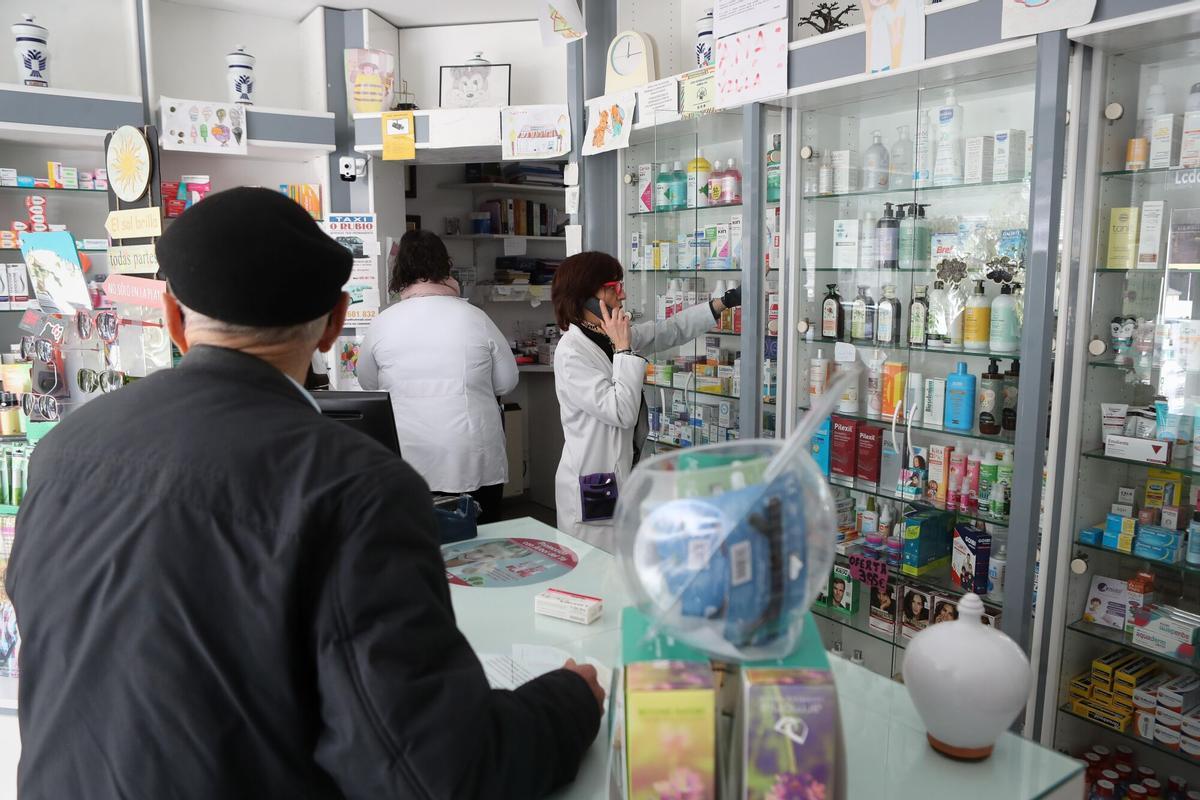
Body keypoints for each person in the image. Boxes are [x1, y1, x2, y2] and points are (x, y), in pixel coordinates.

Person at [6, 188, 603, 800]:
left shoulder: (61, 453)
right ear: (335, 322)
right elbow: (438, 772)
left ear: (173, 319)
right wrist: (569, 700)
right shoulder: (356, 488)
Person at [551, 251, 741, 550]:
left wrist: (723, 303)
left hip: (626, 477)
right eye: (614, 287)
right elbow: (621, 411)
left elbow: (669, 330)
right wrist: (624, 350)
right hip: (594, 487)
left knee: (621, 573)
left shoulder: (604, 335)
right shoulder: (572, 352)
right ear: (588, 297)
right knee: (593, 580)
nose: (623, 294)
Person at [357, 229, 518, 523]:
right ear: (446, 266)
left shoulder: (384, 322)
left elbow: (368, 383)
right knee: (481, 545)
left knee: (420, 543)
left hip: (409, 455)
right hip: (471, 454)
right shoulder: (475, 318)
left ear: (399, 271)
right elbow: (507, 381)